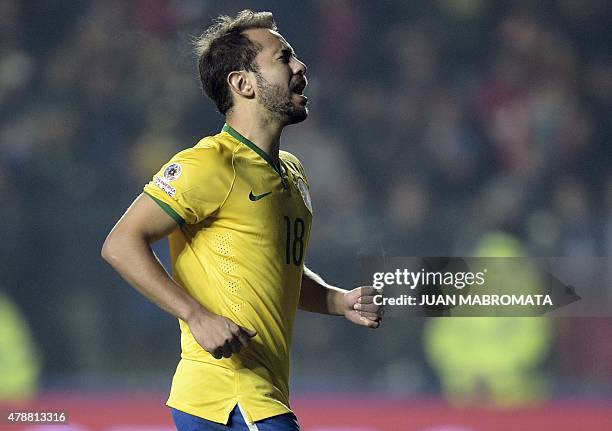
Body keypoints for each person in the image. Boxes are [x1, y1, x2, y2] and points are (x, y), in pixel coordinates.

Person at [102, 10, 383, 431]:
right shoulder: (210, 163)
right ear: (242, 83)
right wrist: (195, 315)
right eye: (283, 58)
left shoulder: (290, 170)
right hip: (229, 394)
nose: (300, 66)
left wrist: (338, 301)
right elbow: (121, 243)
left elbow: (274, 272)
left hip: (256, 394)